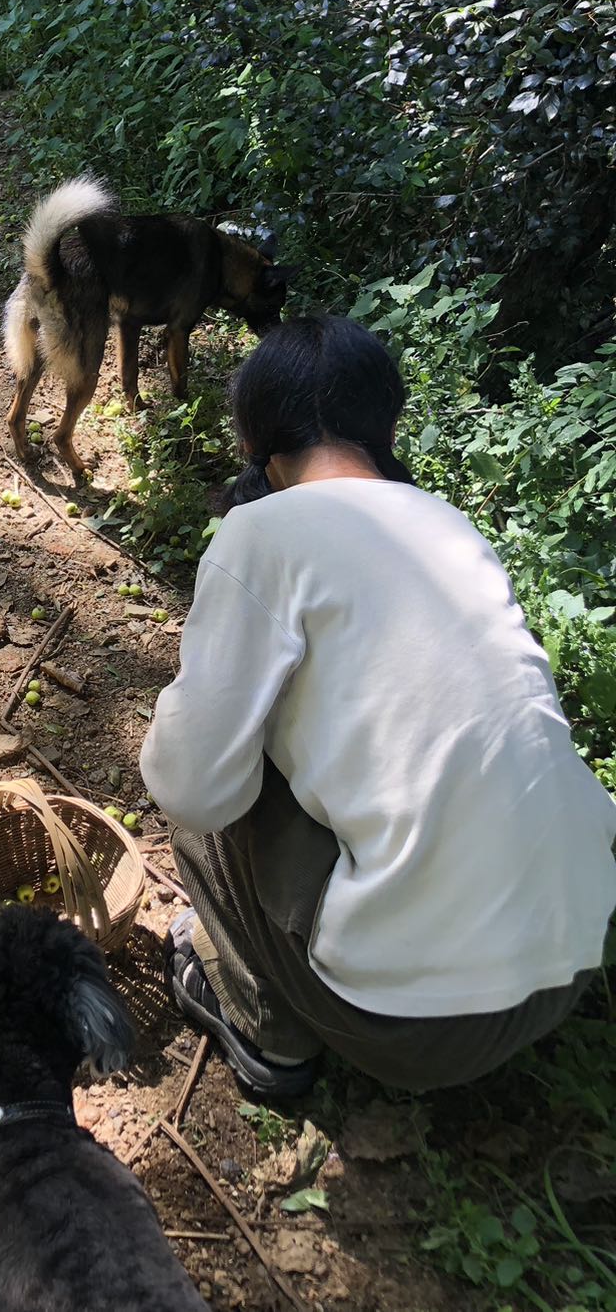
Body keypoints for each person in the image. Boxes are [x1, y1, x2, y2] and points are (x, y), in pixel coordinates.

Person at [142, 315, 616, 1098]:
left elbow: (190, 784)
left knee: (202, 780)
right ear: (384, 422)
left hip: (411, 1029)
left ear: (256, 437)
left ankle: (267, 1027)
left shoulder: (259, 532)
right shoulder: (449, 524)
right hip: (568, 964)